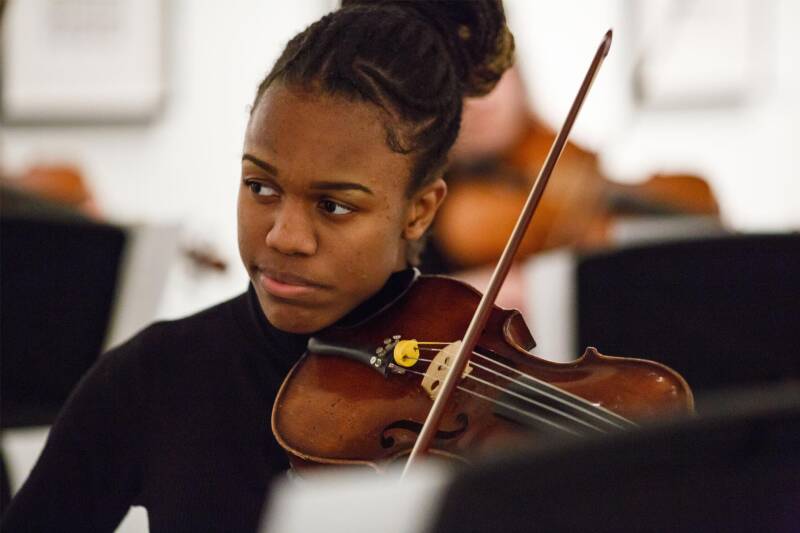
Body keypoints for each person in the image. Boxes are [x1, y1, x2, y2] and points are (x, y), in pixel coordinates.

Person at [1, 1, 514, 530]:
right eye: (261, 187)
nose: (283, 236)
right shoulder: (149, 379)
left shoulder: (478, 412)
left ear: (419, 209)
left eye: (333, 205)